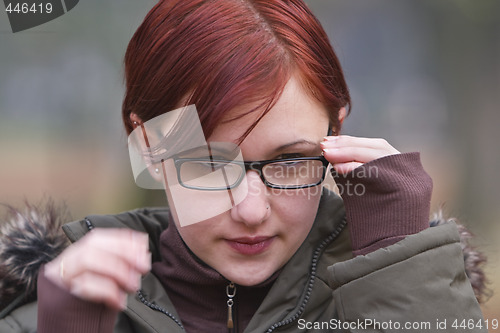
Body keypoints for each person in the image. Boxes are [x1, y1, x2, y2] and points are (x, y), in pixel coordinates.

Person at [30, 0, 486, 332]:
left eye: (290, 160)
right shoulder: (58, 303)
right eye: (209, 162)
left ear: (336, 132)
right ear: (148, 145)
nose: (250, 212)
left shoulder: (415, 291)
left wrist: (404, 265)